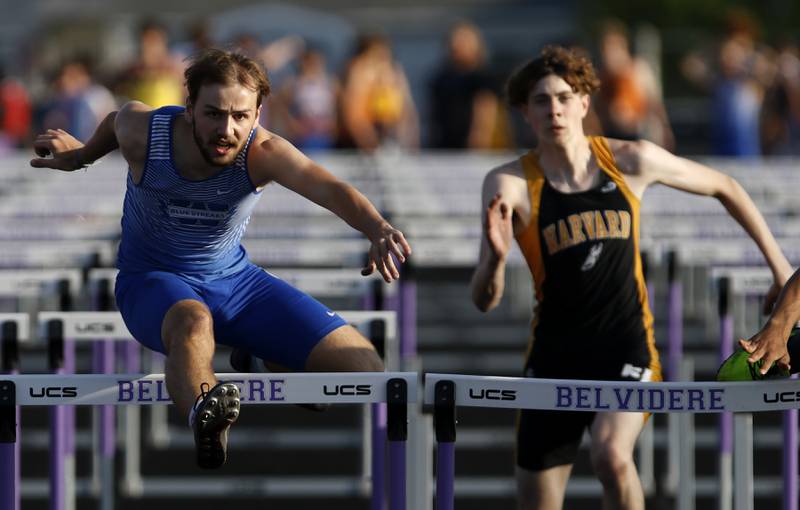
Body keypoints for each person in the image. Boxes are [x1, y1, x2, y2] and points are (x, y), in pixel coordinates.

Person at [30, 48, 412, 470]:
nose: (226, 130)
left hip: (235, 283)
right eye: (213, 114)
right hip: (152, 282)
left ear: (258, 114)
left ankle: (258, 354)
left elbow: (329, 188)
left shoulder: (264, 151)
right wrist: (80, 157)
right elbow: (117, 121)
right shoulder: (146, 131)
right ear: (189, 106)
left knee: (366, 370)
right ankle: (206, 419)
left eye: (240, 117)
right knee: (193, 323)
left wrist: (377, 227)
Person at [470, 45, 792, 510]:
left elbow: (726, 186)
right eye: (541, 100)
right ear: (524, 111)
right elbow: (484, 299)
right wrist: (496, 261)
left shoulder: (629, 160)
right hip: (554, 353)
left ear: (585, 102)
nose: (554, 110)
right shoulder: (508, 184)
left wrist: (779, 268)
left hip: (626, 345)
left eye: (564, 97)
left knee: (611, 455)